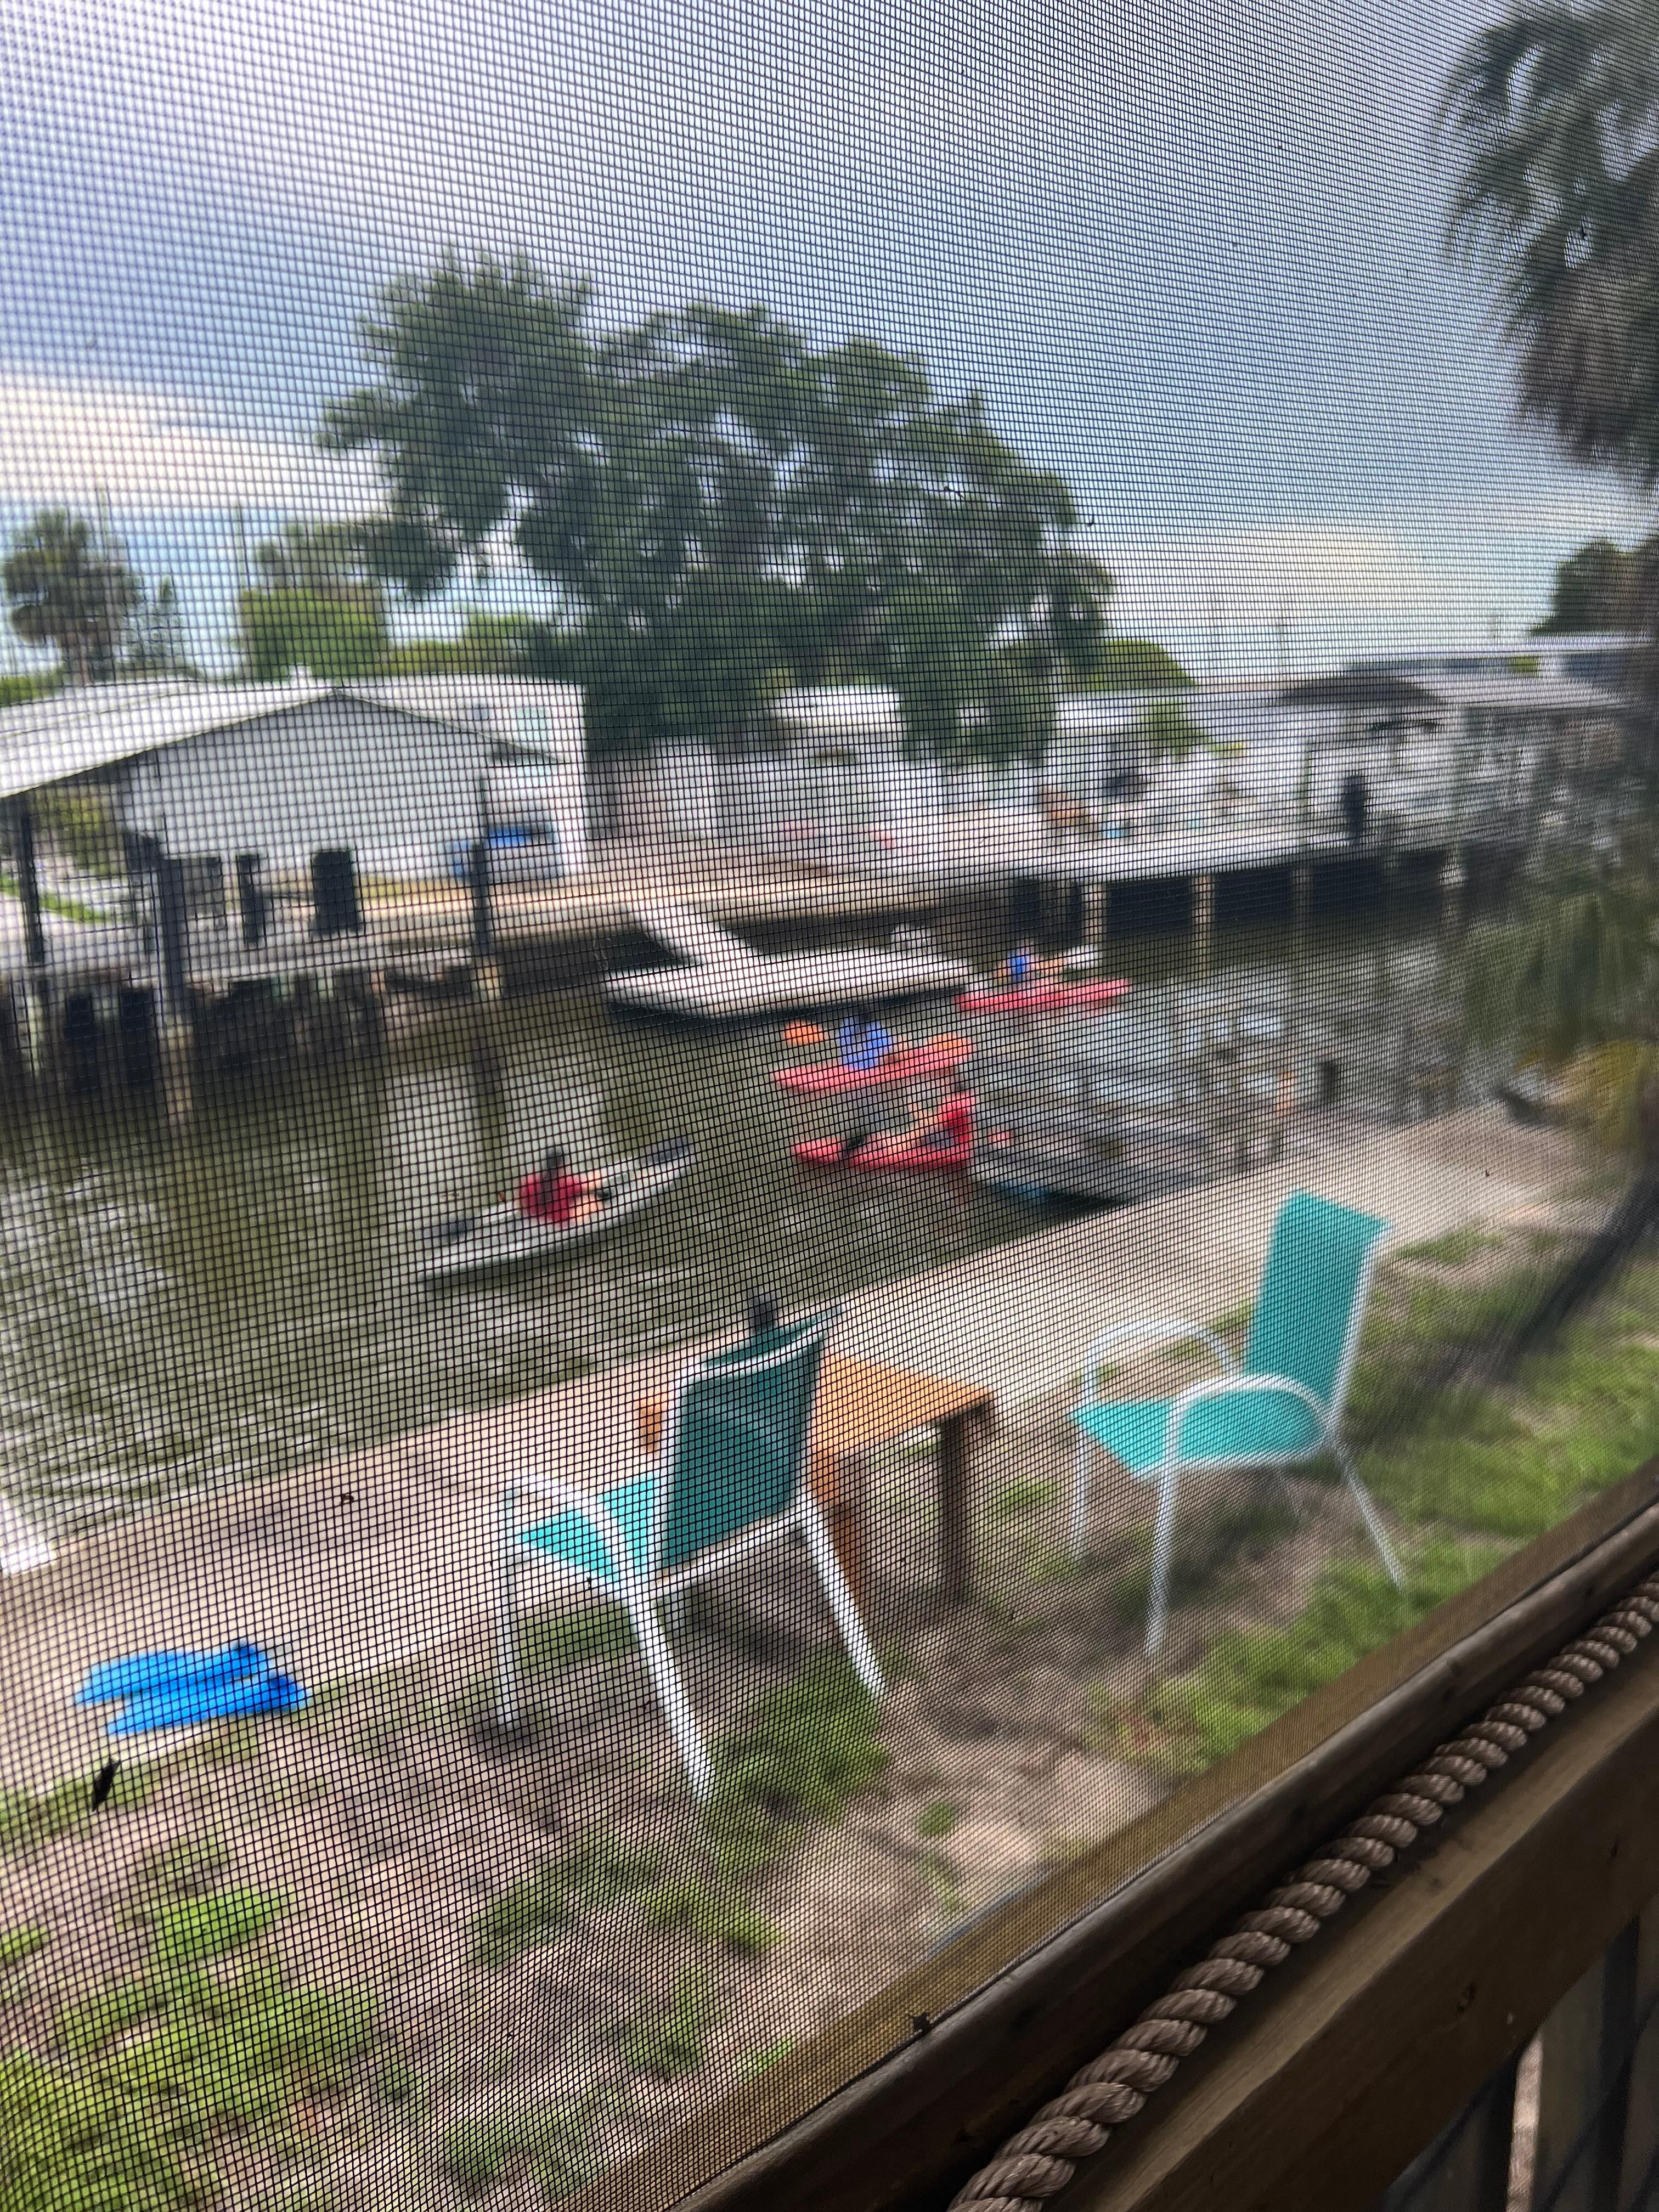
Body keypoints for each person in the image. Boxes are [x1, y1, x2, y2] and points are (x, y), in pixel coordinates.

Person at [517, 1147, 605, 1227]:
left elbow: (520, 1203)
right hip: (562, 1227)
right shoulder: (565, 1183)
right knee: (591, 1202)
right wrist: (601, 1174)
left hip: (535, 1228)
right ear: (561, 1165)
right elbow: (588, 1185)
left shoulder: (530, 1183)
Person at [837, 1007, 895, 1071]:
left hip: (859, 1066)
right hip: (857, 1066)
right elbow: (888, 1048)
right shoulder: (849, 1026)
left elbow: (888, 1049)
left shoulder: (873, 1028)